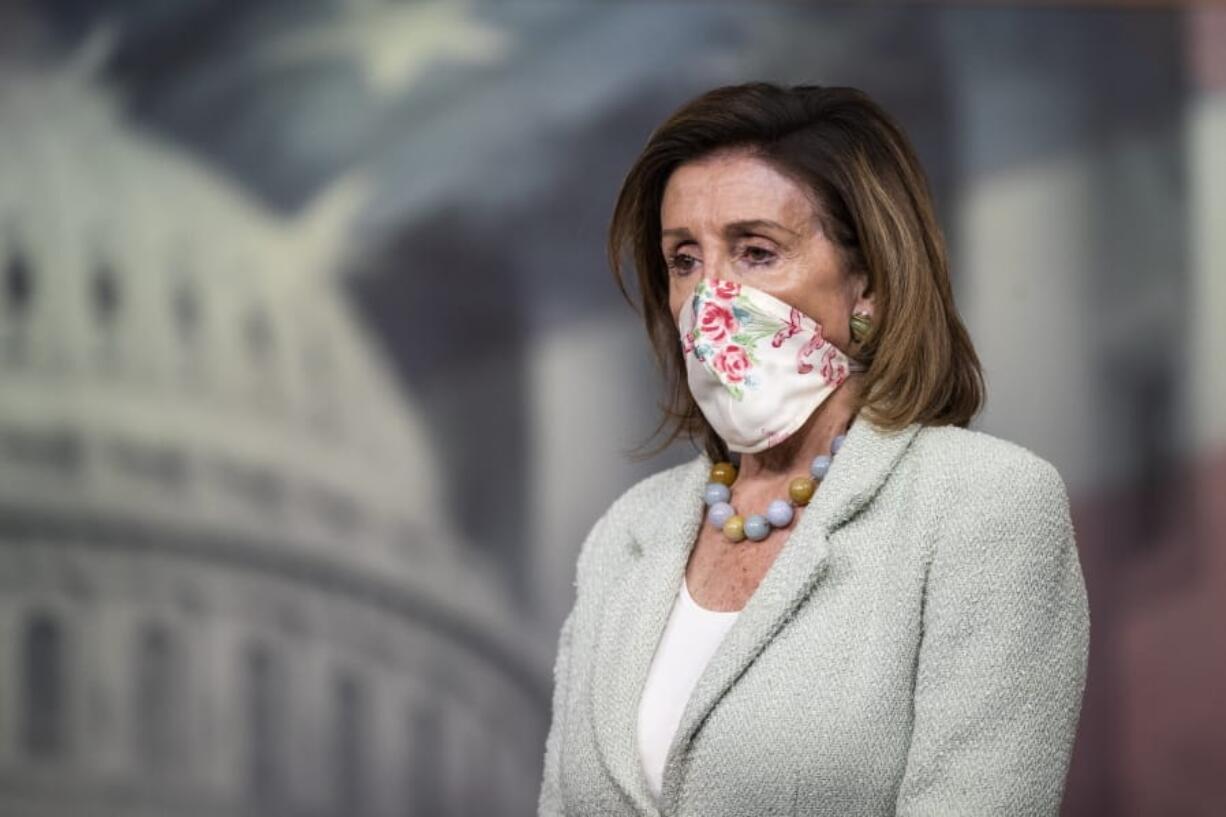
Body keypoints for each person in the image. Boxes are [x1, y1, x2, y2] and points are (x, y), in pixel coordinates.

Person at [538, 82, 1089, 817]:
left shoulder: (985, 506)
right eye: (683, 261)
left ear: (868, 284)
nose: (712, 299)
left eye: (757, 251)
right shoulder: (623, 538)